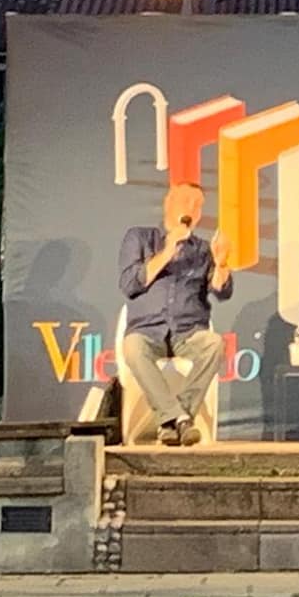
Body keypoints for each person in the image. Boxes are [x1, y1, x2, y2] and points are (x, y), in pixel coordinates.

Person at [118, 183, 233, 446]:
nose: (192, 208)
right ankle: (180, 419)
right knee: (133, 348)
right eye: (186, 201)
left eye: (198, 205)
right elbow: (129, 284)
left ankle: (171, 420)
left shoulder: (203, 250)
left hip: (188, 332)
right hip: (147, 331)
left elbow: (222, 291)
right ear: (168, 203)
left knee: (214, 344)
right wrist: (169, 249)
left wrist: (222, 263)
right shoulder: (140, 238)